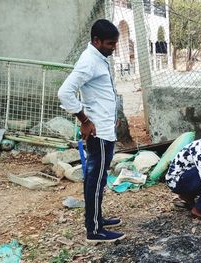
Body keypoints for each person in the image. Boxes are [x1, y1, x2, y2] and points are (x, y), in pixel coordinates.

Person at [57, 19, 124, 243]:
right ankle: (94, 230)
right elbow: (65, 92)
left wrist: (111, 118)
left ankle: (97, 219)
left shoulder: (98, 58)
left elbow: (100, 95)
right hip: (100, 134)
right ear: (96, 41)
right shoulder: (88, 61)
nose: (113, 47)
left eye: (115, 43)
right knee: (95, 180)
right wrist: (84, 119)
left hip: (105, 128)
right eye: (109, 43)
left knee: (98, 179)